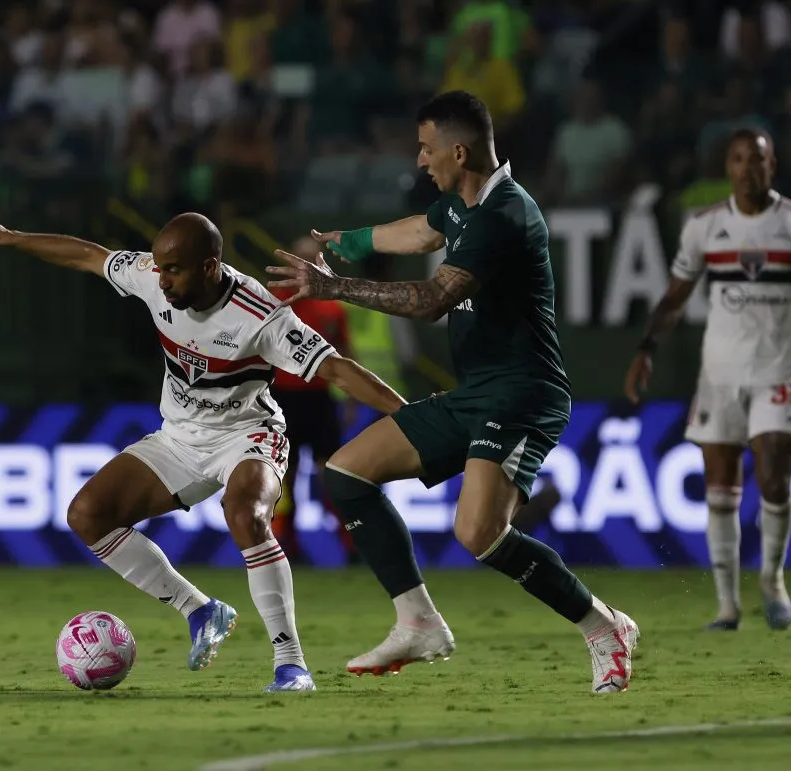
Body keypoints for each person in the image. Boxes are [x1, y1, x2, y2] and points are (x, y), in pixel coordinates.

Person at [267, 90, 639, 694]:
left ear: (458, 151)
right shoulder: (462, 204)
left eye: (425, 148)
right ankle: (417, 620)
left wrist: (334, 286)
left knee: (478, 533)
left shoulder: (505, 215)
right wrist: (355, 239)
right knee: (345, 473)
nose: (419, 161)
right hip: (477, 393)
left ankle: (603, 627)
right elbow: (420, 231)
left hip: (524, 393)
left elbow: (431, 298)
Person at [0, 212, 407, 692]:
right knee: (88, 514)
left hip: (248, 435)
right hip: (180, 438)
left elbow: (336, 370)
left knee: (246, 513)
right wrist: (10, 237)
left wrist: (412, 416)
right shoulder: (153, 276)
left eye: (174, 270)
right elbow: (88, 255)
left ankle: (290, 663)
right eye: (160, 267)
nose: (162, 279)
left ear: (210, 267)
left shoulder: (261, 315)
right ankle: (200, 610)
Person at [624, 127, 791, 632]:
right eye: (739, 159)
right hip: (719, 374)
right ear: (728, 168)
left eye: (757, 159)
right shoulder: (705, 226)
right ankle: (727, 606)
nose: (748, 168)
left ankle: (771, 580)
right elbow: (675, 297)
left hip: (777, 370)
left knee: (773, 474)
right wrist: (646, 350)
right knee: (720, 484)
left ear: (772, 166)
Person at [270, 235, 357, 563]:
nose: (306, 266)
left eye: (312, 260)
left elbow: (345, 355)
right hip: (282, 401)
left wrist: (349, 399)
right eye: (301, 259)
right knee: (282, 477)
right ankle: (284, 548)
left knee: (331, 476)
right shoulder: (274, 302)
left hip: (319, 400)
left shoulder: (332, 308)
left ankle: (351, 547)